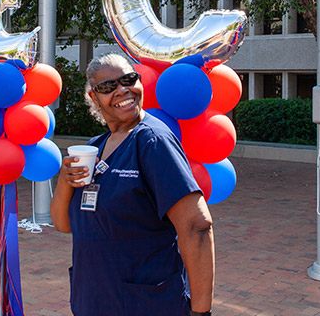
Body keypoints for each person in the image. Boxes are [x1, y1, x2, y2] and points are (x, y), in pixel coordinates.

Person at [51, 53, 214, 316]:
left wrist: (200, 311)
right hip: (94, 297)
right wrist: (64, 181)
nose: (123, 90)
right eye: (108, 86)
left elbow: (197, 226)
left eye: (129, 79)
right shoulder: (95, 147)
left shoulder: (152, 141)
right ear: (94, 97)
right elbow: (64, 225)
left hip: (143, 303)